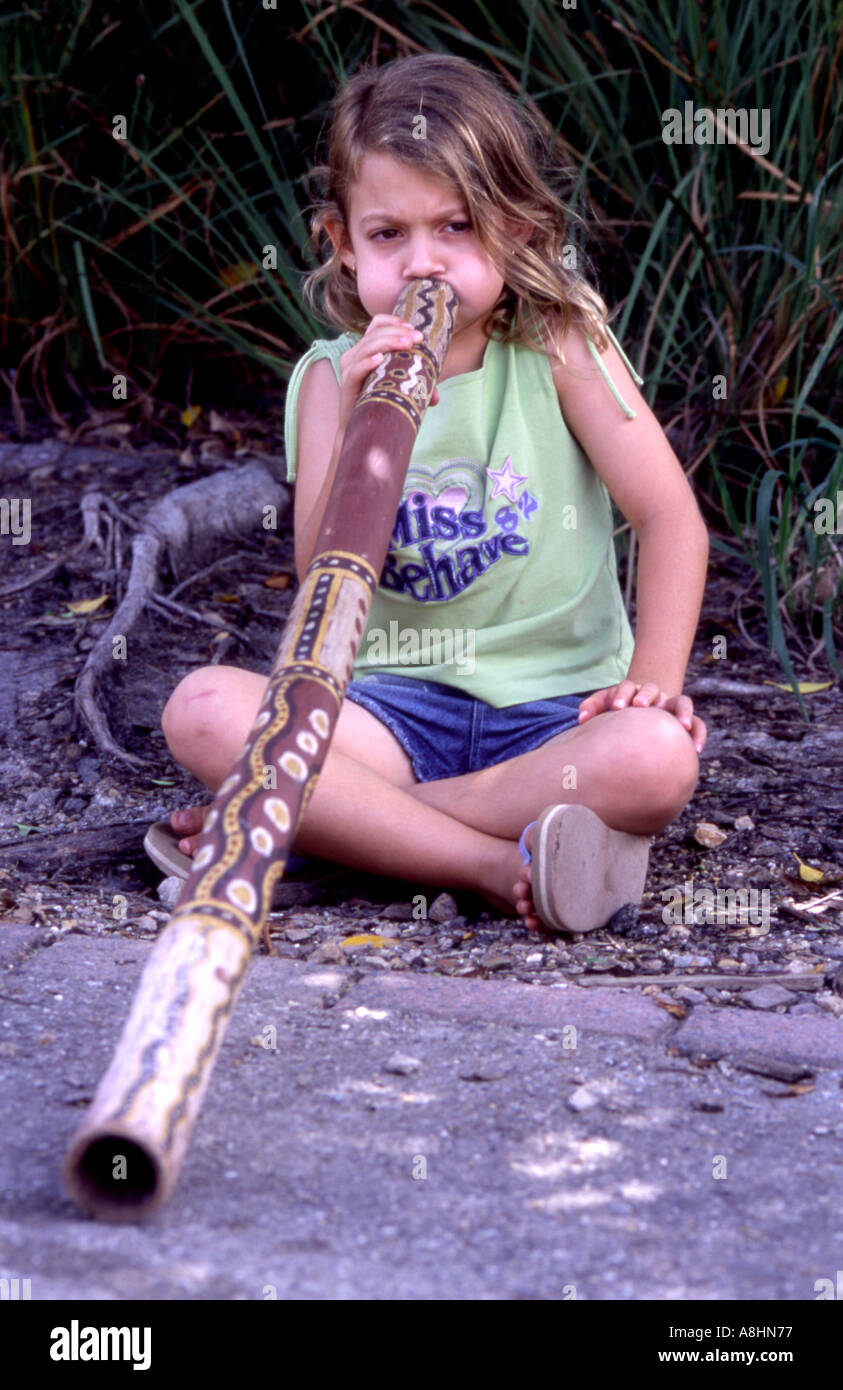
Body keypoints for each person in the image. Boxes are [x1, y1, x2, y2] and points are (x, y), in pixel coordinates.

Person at [154, 52, 709, 934]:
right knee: (205, 710)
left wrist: (653, 680)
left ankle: (344, 829)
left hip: (555, 715)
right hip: (389, 708)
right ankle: (490, 861)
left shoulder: (559, 347)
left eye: (456, 227)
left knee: (654, 761)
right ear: (339, 242)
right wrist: (367, 417)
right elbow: (323, 576)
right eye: (388, 236)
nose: (427, 265)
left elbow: (668, 516)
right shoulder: (331, 381)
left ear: (518, 229)